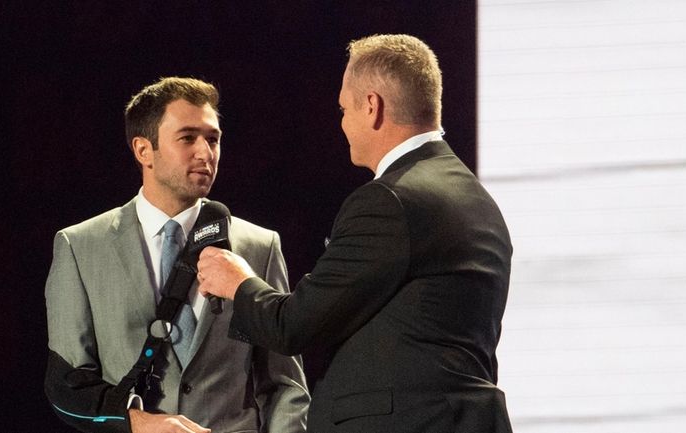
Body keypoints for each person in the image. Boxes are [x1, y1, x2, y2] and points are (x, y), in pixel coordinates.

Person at [196, 35, 514, 432]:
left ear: (372, 106)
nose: (342, 123)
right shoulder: (476, 197)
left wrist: (237, 281)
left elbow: (294, 326)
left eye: (344, 109)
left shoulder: (390, 201)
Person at [44, 77, 310, 433]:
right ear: (143, 150)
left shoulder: (259, 246)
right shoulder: (80, 246)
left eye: (212, 139)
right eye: (187, 138)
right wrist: (138, 422)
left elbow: (285, 384)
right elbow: (68, 385)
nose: (205, 153)